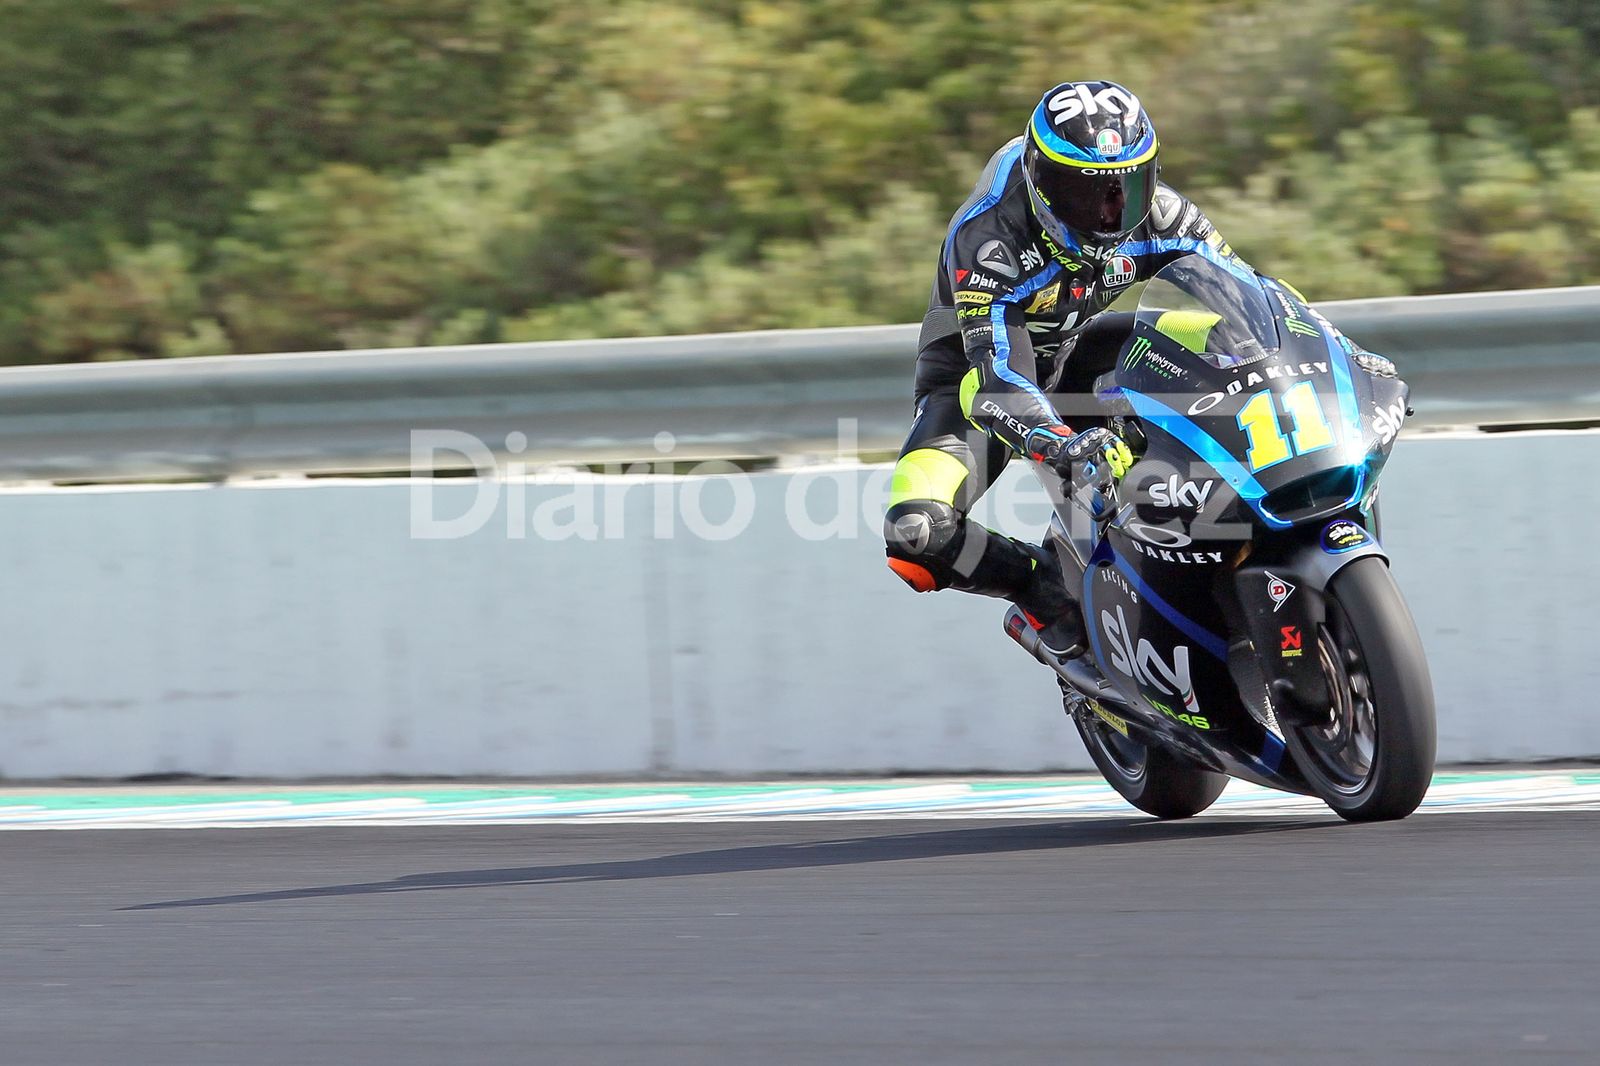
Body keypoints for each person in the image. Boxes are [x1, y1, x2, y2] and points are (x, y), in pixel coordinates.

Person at [882, 80, 1250, 656]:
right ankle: (1041, 589)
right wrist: (1055, 439)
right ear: (1038, 180)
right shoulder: (991, 239)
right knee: (914, 533)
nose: (1108, 215)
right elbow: (998, 376)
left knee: (1228, 342)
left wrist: (1330, 355)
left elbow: (1253, 298)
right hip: (977, 382)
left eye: (1125, 191)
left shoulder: (1164, 214)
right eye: (1082, 195)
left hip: (1082, 352)